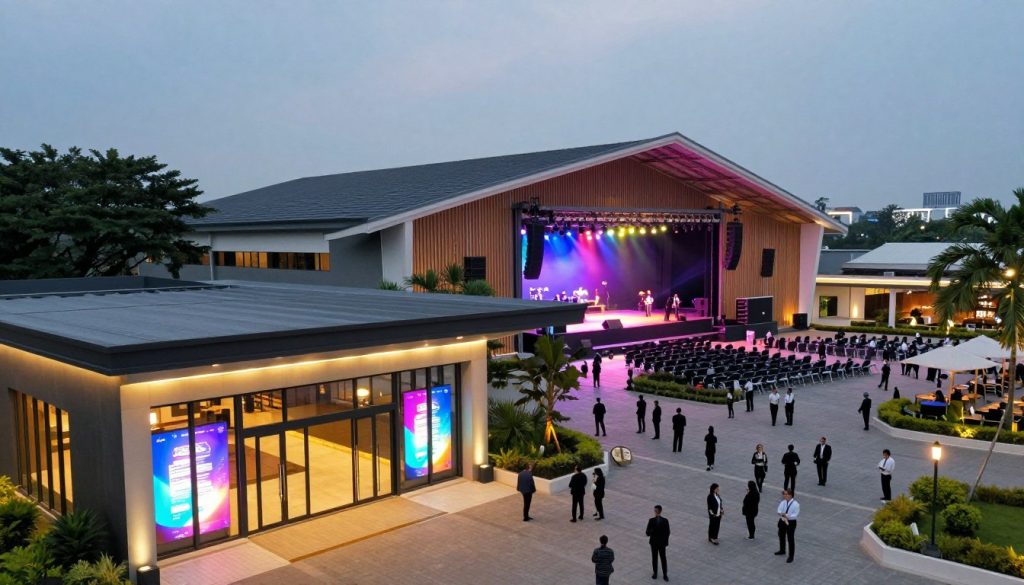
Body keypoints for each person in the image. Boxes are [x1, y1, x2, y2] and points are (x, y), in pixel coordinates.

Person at [645, 505, 670, 581]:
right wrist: (651, 531)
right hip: (654, 543)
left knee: (663, 558)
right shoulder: (651, 520)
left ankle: (665, 574)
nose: (655, 512)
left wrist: (665, 542)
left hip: (661, 543)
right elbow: (647, 532)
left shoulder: (665, 521)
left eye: (656, 510)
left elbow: (667, 532)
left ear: (660, 511)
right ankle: (655, 573)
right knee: (654, 558)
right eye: (655, 510)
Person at [775, 489, 800, 563]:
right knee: (781, 535)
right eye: (784, 494)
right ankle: (782, 550)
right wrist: (782, 514)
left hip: (791, 522)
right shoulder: (783, 502)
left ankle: (791, 556)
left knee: (790, 539)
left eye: (786, 494)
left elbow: (795, 515)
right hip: (782, 521)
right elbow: (779, 510)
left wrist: (787, 516)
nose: (784, 495)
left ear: (790, 495)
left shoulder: (796, 504)